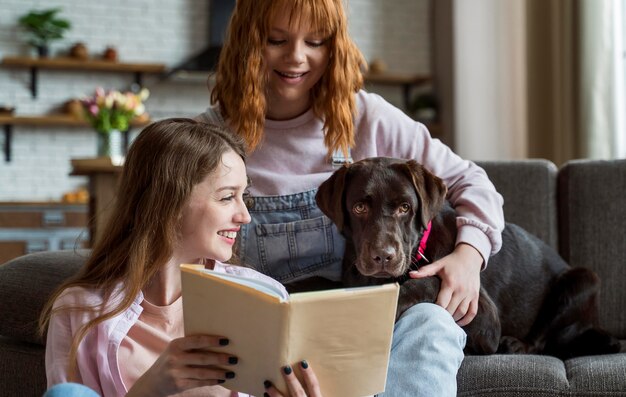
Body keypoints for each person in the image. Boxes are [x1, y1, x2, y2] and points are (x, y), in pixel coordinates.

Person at [197, 0, 505, 395]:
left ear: (335, 47)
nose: (296, 57)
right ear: (246, 42)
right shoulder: (210, 137)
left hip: (372, 333)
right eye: (276, 40)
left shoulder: (367, 117)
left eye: (315, 41)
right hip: (274, 345)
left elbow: (473, 181)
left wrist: (469, 257)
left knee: (433, 321)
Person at [40, 118, 322, 397]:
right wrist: (151, 389)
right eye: (226, 197)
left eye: (243, 196)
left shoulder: (266, 298)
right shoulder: (78, 309)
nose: (245, 216)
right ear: (169, 202)